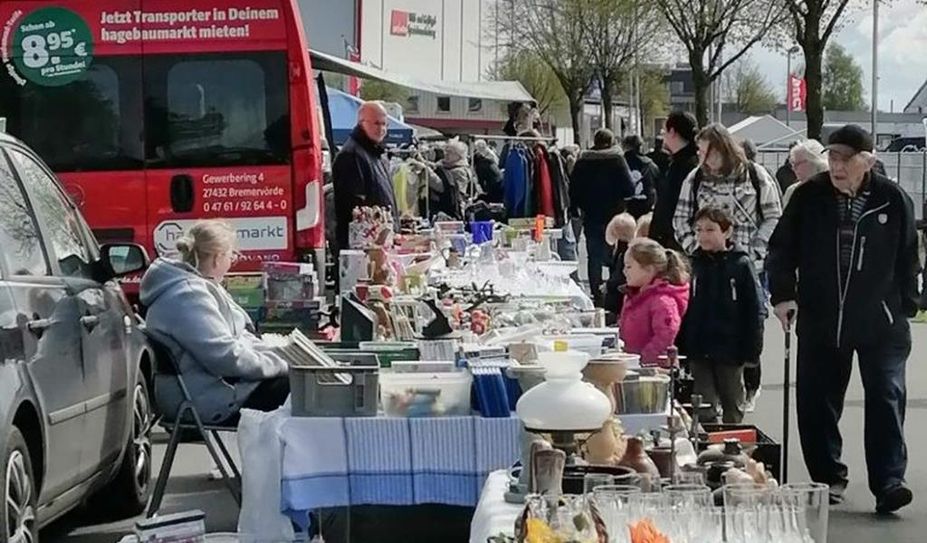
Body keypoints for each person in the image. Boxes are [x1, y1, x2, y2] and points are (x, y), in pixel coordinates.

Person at [767, 124, 919, 512]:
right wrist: (784, 295)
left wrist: (909, 303)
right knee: (816, 401)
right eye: (831, 157)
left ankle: (889, 482)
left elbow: (908, 257)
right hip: (822, 314)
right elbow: (781, 249)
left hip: (881, 320)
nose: (835, 166)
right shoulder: (809, 197)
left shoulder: (892, 199)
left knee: (886, 395)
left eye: (844, 158)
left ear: (866, 161)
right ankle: (827, 476)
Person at [673, 123, 781, 411]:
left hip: (746, 263)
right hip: (706, 264)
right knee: (705, 315)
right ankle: (710, 391)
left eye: (706, 151)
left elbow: (773, 216)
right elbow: (680, 217)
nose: (703, 157)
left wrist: (757, 251)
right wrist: (694, 247)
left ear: (722, 148)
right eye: (700, 151)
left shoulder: (755, 176)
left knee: (749, 316)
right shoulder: (695, 178)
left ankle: (748, 378)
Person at [140, 220, 290, 426]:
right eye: (232, 256)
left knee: (307, 389)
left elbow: (239, 340)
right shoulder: (188, 296)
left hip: (211, 391)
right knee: (306, 393)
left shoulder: (196, 286)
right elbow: (226, 357)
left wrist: (282, 354)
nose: (232, 262)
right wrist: (284, 365)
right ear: (218, 257)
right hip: (205, 402)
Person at [682, 206, 764, 423]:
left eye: (710, 230)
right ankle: (706, 447)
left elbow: (754, 309)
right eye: (698, 230)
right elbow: (685, 306)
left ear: (727, 232)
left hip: (730, 347)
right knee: (704, 405)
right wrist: (683, 344)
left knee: (732, 404)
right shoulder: (694, 263)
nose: (703, 236)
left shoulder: (741, 264)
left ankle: (731, 448)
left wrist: (753, 350)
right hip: (699, 347)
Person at [570, 128, 636, 305]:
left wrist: (580, 206)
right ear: (612, 141)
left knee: (594, 255)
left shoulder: (583, 160)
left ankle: (596, 294)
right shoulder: (617, 159)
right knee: (617, 254)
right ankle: (614, 291)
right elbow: (630, 188)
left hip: (591, 215)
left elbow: (573, 188)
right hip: (614, 215)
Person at [333, 101, 398, 250]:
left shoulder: (377, 154)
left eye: (384, 124)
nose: (381, 129)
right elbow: (352, 208)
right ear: (361, 122)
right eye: (376, 123)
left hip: (381, 244)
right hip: (364, 248)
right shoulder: (351, 155)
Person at [618, 238, 690, 366]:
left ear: (649, 269)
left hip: (654, 370)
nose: (624, 271)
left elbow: (665, 336)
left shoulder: (662, 300)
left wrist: (644, 360)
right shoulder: (633, 296)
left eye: (629, 266)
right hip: (633, 364)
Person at [651, 112, 699, 251]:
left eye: (664, 131)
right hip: (673, 240)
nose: (663, 135)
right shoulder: (681, 163)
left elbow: (670, 205)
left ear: (672, 132)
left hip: (675, 242)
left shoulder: (686, 167)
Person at [602, 213, 637, 323]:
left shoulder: (624, 252)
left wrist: (608, 285)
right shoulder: (627, 250)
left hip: (617, 301)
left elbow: (620, 276)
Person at [782, 139, 829, 208]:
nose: (793, 168)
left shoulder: (834, 189)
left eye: (798, 163)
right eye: (792, 164)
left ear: (815, 162)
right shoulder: (792, 191)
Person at [622, 135, 659, 219]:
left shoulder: (619, 164)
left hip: (624, 209)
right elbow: (658, 185)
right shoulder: (650, 165)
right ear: (640, 146)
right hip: (646, 207)